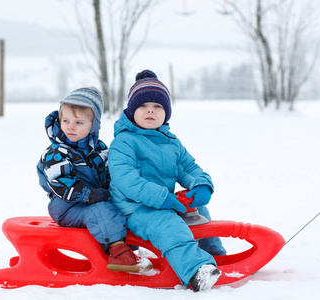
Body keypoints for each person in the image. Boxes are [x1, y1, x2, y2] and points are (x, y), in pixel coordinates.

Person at [108, 70, 226, 291]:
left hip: (162, 201)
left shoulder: (171, 142)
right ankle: (195, 271)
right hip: (134, 208)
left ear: (167, 113)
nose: (150, 110)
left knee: (199, 209)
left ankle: (216, 256)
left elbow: (187, 167)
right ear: (132, 111)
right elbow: (127, 180)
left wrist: (201, 183)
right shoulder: (124, 142)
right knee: (167, 224)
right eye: (143, 106)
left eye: (158, 106)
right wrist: (161, 198)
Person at [37, 87, 151, 273]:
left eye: (78, 122)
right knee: (101, 210)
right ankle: (117, 252)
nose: (70, 126)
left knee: (121, 205)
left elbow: (111, 172)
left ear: (93, 125)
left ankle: (128, 246)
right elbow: (60, 182)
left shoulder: (98, 149)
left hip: (96, 199)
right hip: (67, 207)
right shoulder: (57, 152)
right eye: (65, 121)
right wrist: (90, 194)